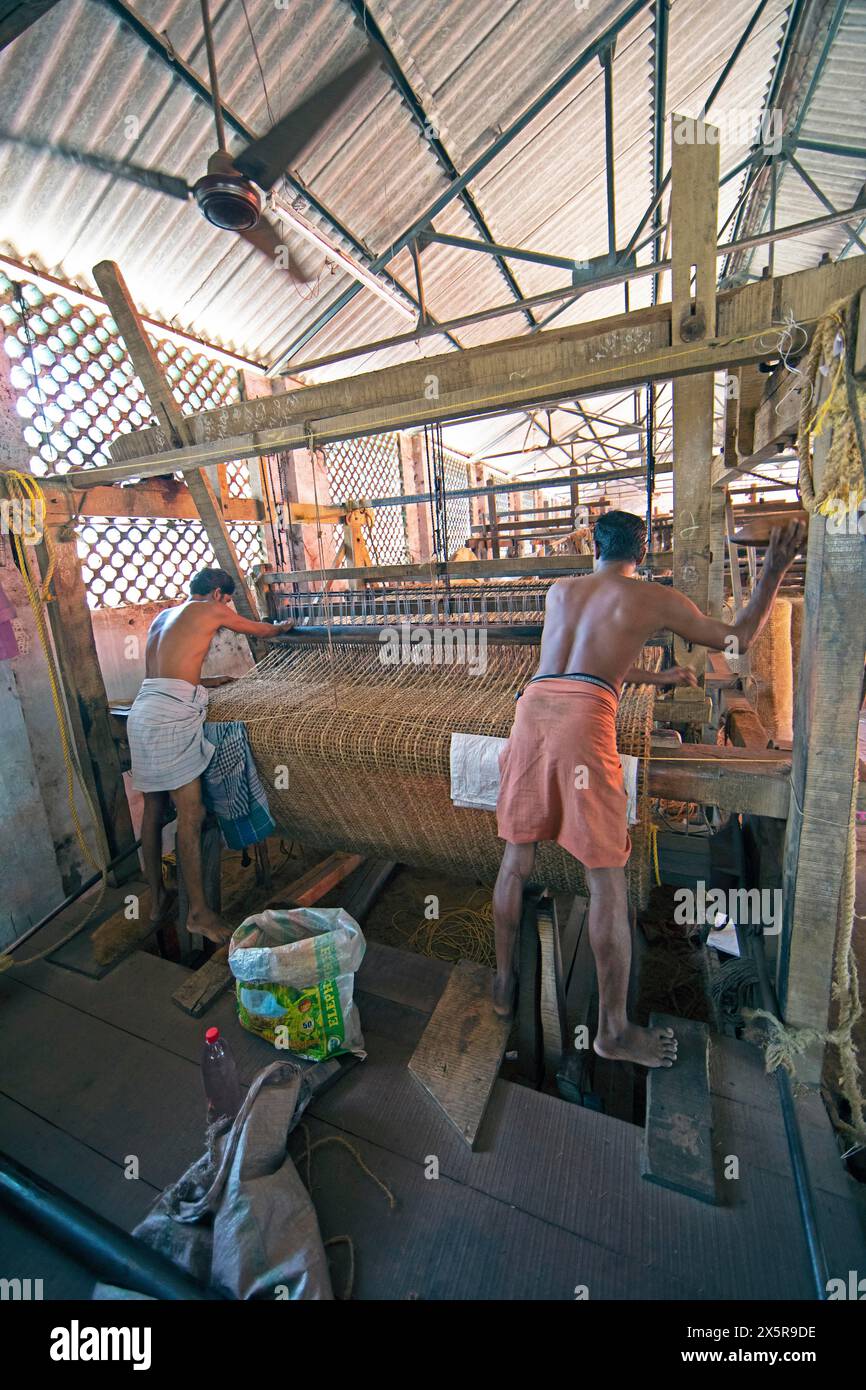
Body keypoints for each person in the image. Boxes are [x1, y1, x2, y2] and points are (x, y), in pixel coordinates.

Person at [492, 509, 804, 1068]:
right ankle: (613, 1030)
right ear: (645, 549)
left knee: (515, 860)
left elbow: (581, 662)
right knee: (606, 877)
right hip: (584, 721)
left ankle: (501, 982)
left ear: (593, 543)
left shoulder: (561, 591)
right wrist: (773, 571)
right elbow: (735, 641)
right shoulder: (653, 598)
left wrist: (657, 678)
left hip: (532, 709)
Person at [127, 568, 293, 943]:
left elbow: (166, 673)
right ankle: (199, 914)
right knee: (192, 813)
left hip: (143, 711)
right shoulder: (211, 610)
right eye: (228, 600)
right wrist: (286, 626)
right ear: (218, 594)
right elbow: (259, 630)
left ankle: (156, 901)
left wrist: (207, 683)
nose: (227, 608)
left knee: (153, 811)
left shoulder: (164, 616)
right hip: (171, 718)